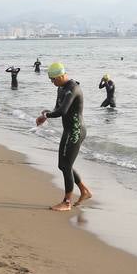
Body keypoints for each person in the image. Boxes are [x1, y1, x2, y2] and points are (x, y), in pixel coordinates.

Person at [35, 62, 93, 211]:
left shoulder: (73, 88)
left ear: (61, 76)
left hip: (75, 131)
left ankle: (67, 202)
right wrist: (47, 114)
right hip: (68, 130)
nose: (52, 82)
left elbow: (63, 111)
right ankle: (84, 191)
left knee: (65, 165)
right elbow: (58, 108)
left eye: (54, 79)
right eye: (51, 80)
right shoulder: (61, 88)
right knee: (63, 165)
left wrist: (48, 115)